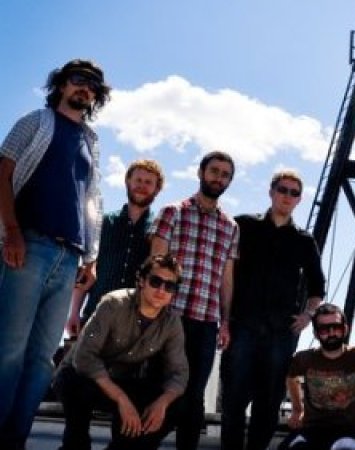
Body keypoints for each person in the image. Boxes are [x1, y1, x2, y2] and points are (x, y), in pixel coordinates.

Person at [0, 59, 110, 449]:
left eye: (93, 85)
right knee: (9, 350)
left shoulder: (91, 141)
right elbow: (3, 172)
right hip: (30, 245)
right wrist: (12, 232)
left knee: (42, 359)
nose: (85, 88)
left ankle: (15, 439)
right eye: (78, 80)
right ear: (62, 85)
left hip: (70, 258)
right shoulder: (36, 121)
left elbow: (91, 200)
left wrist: (91, 257)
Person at [221, 169, 325, 450]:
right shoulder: (243, 226)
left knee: (268, 403)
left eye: (294, 193)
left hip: (281, 332)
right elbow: (225, 271)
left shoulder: (304, 240)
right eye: (282, 190)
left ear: (299, 199)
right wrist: (225, 319)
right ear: (271, 192)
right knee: (233, 399)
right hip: (243, 326)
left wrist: (309, 315)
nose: (287, 196)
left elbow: (317, 286)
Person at [150, 150, 239, 450]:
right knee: (160, 389)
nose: (218, 178)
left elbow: (226, 278)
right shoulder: (173, 212)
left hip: (206, 322)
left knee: (194, 397)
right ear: (201, 172)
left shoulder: (230, 226)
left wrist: (225, 321)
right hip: (169, 317)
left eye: (225, 175)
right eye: (214, 171)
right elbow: (154, 263)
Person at [54, 254, 189, 450]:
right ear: (141, 281)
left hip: (123, 380)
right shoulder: (113, 304)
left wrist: (162, 403)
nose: (161, 290)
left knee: (179, 403)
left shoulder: (172, 322)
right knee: (74, 383)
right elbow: (84, 357)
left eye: (169, 286)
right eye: (155, 281)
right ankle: (75, 444)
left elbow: (178, 374)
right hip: (86, 378)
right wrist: (121, 399)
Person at [66, 159, 165, 336]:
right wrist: (74, 313)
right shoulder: (103, 223)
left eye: (148, 182)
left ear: (157, 189)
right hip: (95, 315)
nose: (142, 186)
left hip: (134, 324)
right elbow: (86, 270)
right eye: (138, 180)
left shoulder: (158, 232)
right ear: (128, 181)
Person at [279, 303, 355, 450]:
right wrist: (297, 410)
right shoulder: (303, 359)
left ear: (345, 329)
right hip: (312, 429)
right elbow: (291, 378)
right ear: (315, 333)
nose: (331, 333)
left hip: (350, 432)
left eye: (336, 327)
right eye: (324, 329)